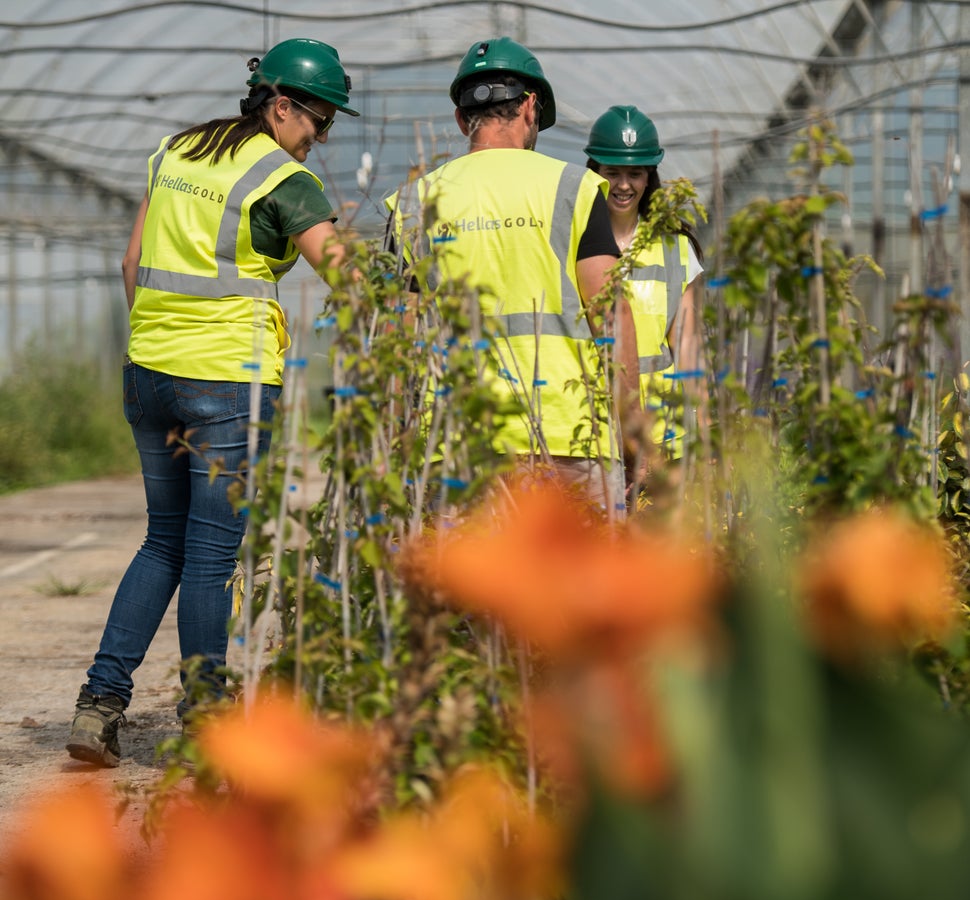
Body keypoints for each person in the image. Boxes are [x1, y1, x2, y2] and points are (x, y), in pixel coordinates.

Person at [66, 38, 359, 767]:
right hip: (226, 382)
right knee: (210, 558)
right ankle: (207, 722)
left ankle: (98, 707)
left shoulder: (174, 152)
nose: (318, 141)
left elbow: (131, 262)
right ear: (281, 105)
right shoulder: (280, 176)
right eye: (316, 123)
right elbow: (346, 277)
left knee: (161, 542)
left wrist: (158, 347)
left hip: (149, 372)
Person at [384, 37, 638, 514]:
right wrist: (635, 429)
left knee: (470, 588)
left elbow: (400, 338)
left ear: (462, 119)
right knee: (588, 585)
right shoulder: (575, 187)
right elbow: (612, 315)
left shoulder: (416, 202)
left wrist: (398, 440)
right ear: (529, 106)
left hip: (458, 440)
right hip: (570, 431)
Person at [584, 105, 704, 463]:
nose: (623, 185)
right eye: (612, 173)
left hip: (663, 436)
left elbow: (688, 346)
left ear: (649, 177)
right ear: (594, 174)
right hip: (593, 433)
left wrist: (707, 429)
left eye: (635, 173)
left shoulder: (675, 248)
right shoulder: (573, 244)